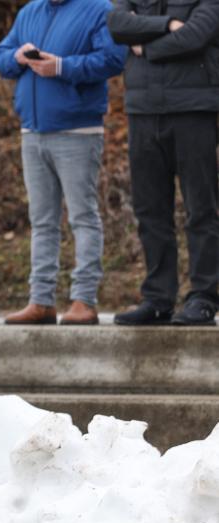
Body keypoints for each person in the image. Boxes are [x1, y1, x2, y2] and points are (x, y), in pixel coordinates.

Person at [0, 0, 126, 325]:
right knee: (42, 221)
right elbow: (2, 58)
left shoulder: (99, 9)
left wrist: (63, 67)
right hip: (32, 131)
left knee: (83, 218)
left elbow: (114, 59)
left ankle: (84, 300)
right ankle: (41, 301)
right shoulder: (29, 12)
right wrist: (16, 57)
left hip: (77, 131)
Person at [108, 1, 219, 326]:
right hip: (143, 110)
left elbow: (195, 37)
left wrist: (145, 46)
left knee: (201, 208)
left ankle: (204, 296)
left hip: (194, 109)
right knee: (150, 211)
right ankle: (158, 298)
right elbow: (117, 24)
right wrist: (167, 25)